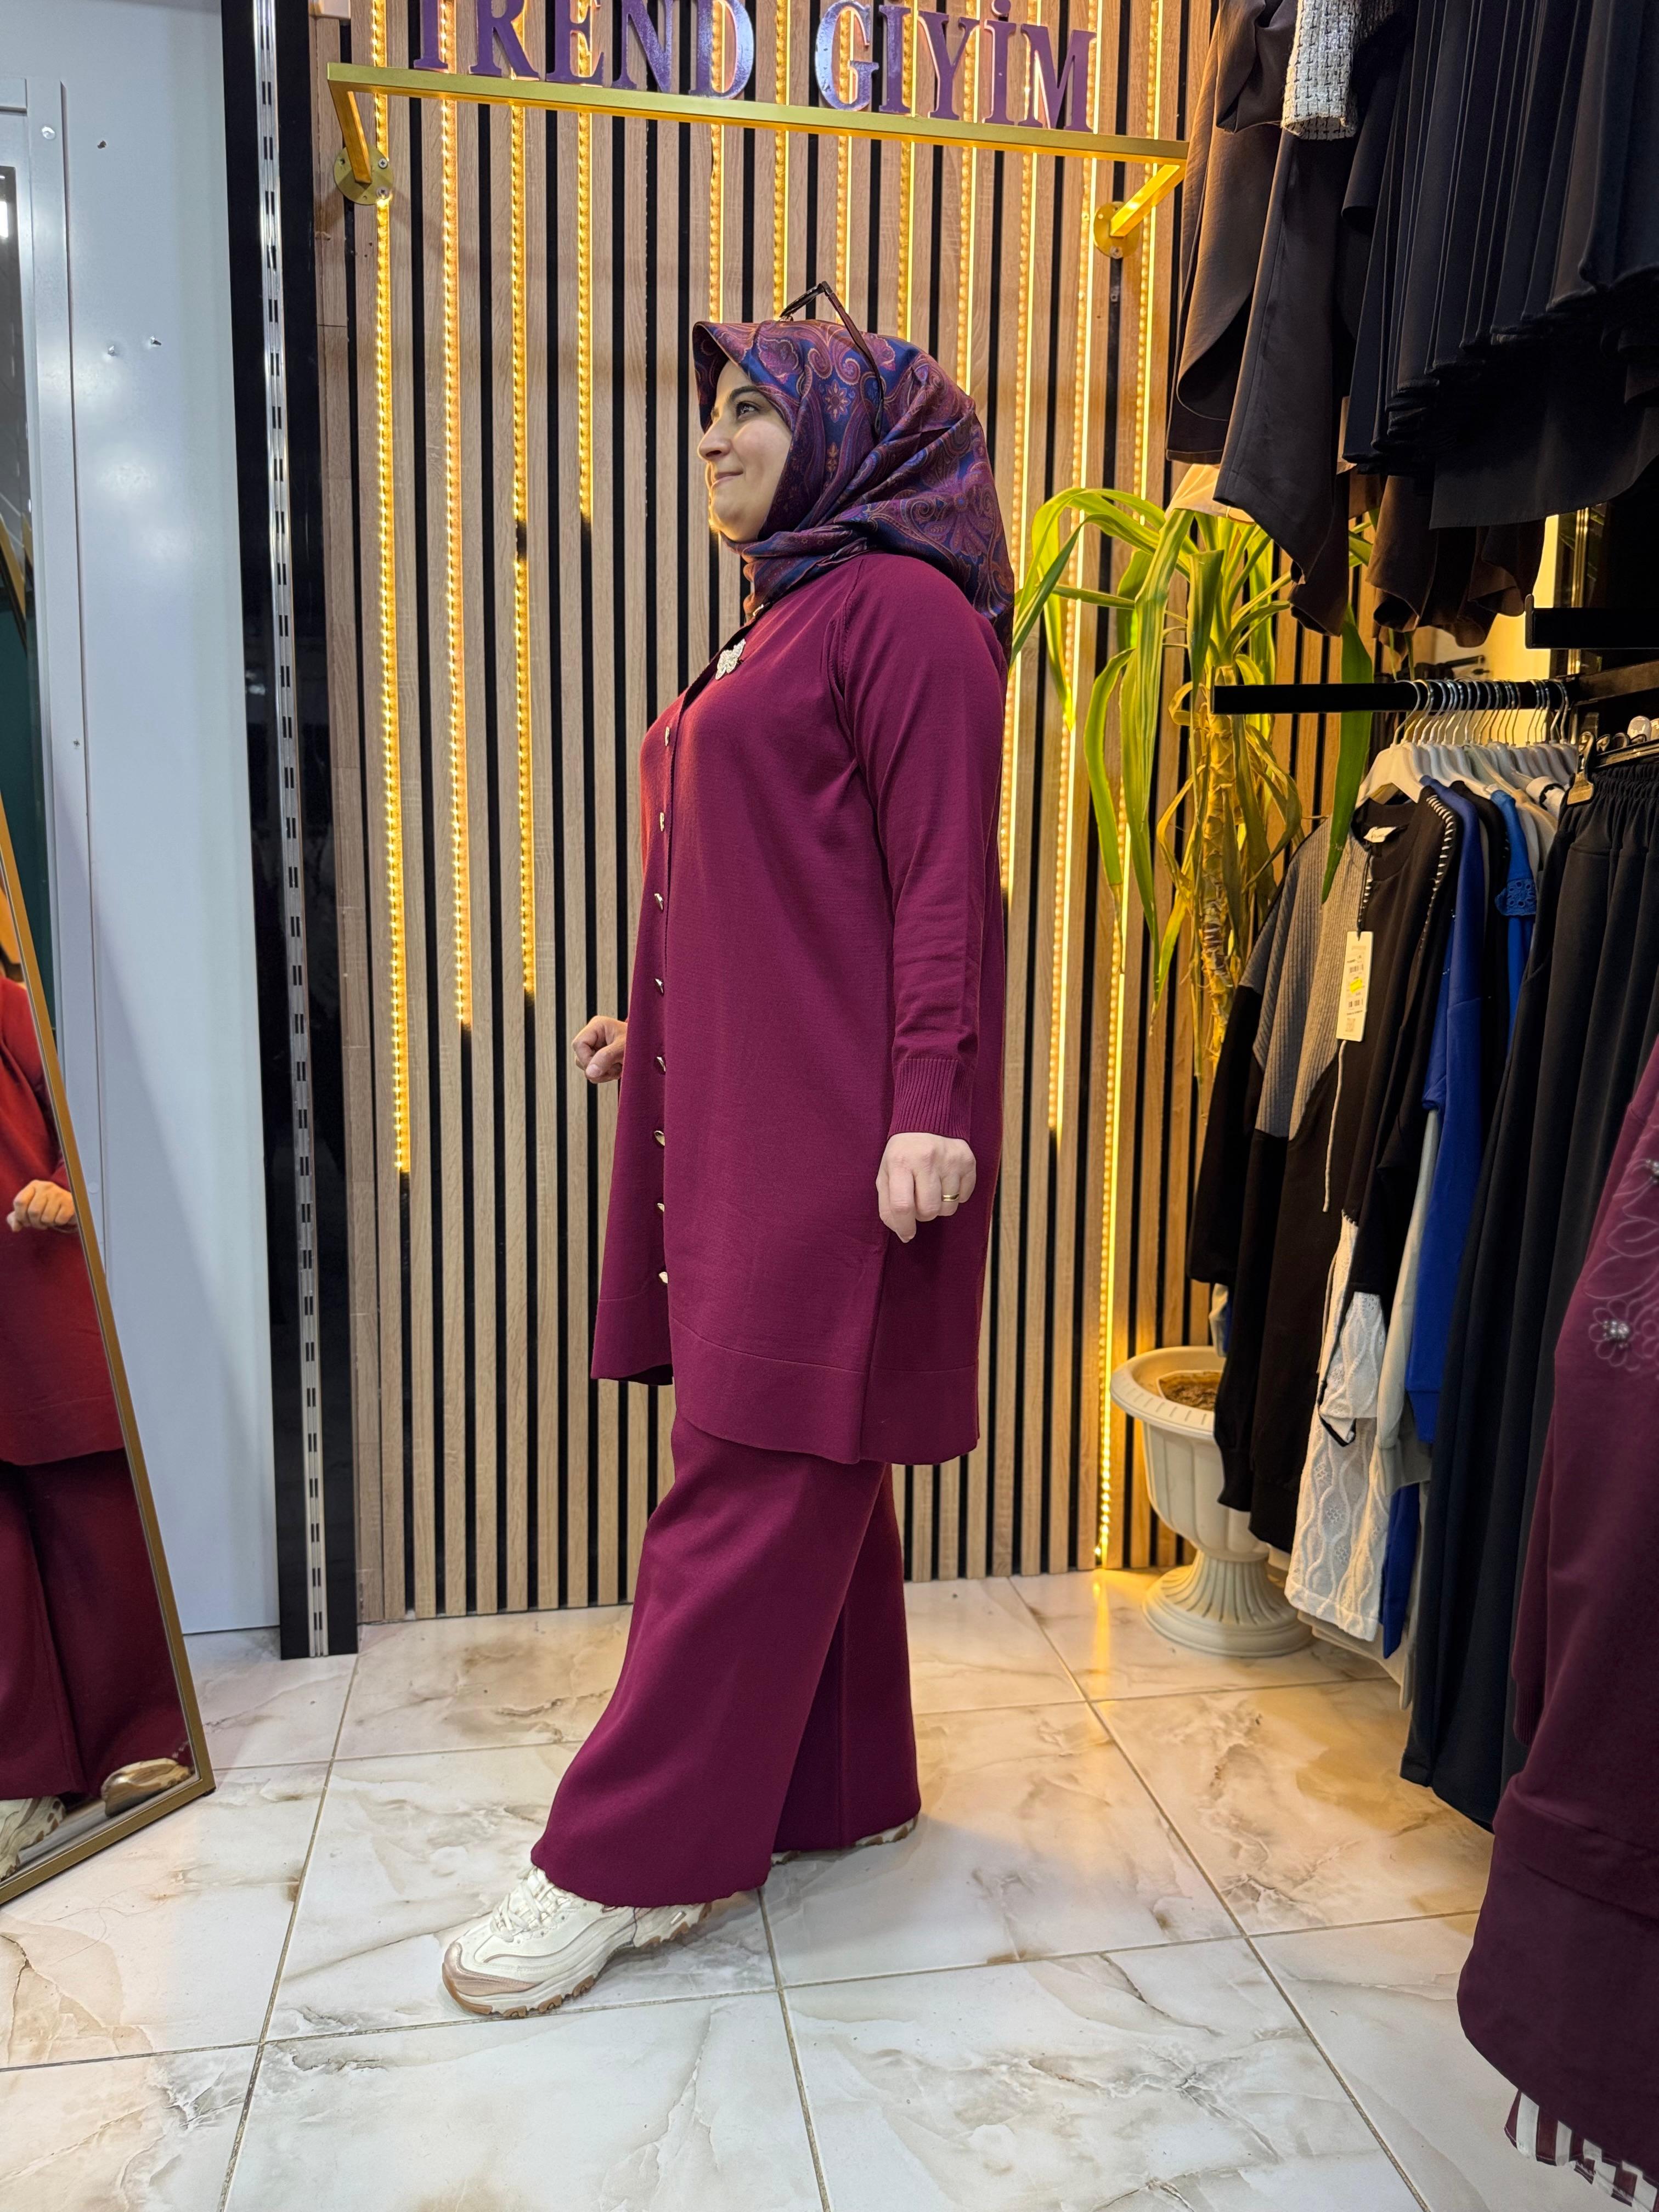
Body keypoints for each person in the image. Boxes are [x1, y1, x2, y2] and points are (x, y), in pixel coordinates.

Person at [442, 289, 1013, 2017]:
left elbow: (944, 882)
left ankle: (622, 1860)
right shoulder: (778, 619)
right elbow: (760, 885)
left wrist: (932, 1104)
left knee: (756, 1461)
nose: (712, 436)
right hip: (752, 1113)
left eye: (752, 405)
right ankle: (841, 1783)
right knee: (799, 1451)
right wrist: (657, 1022)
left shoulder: (904, 613)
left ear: (841, 429)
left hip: (842, 1140)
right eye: (712, 409)